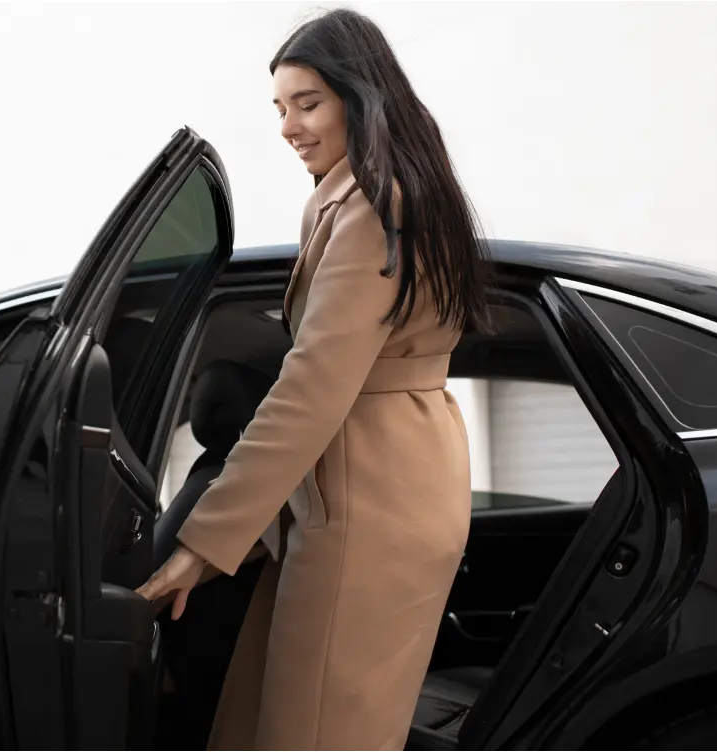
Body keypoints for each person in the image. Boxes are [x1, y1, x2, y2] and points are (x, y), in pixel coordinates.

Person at [136, 8, 492, 751]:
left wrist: (203, 544)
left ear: (359, 98)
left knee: (319, 731)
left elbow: (311, 388)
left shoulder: (373, 205)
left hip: (369, 495)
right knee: (300, 720)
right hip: (385, 481)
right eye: (280, 109)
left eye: (307, 103)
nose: (289, 127)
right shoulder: (380, 194)